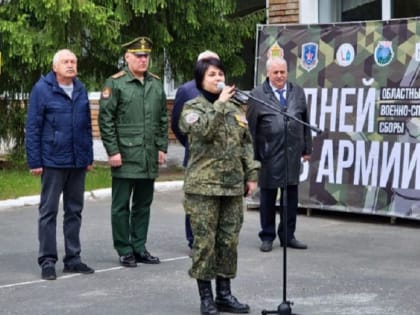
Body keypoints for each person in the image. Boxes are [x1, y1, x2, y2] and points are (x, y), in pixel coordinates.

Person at [179, 57, 259, 315]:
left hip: (232, 186)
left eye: (220, 73)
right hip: (203, 188)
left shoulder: (236, 109)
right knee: (205, 244)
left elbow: (246, 143)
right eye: (212, 74)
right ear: (201, 79)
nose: (218, 78)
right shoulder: (192, 107)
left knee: (228, 242)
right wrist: (220, 103)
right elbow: (203, 131)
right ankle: (206, 298)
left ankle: (224, 294)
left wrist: (251, 174)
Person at [25, 49, 95, 280]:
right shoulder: (42, 89)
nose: (70, 65)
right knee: (49, 211)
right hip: (52, 160)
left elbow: (86, 126)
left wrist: (88, 157)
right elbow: (33, 127)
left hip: (77, 161)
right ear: (55, 67)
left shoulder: (81, 88)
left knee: (74, 211)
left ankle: (73, 259)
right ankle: (47, 261)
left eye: (73, 61)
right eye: (65, 61)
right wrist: (35, 160)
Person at [99, 36, 168, 268]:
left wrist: (161, 146)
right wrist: (112, 151)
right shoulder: (115, 83)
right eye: (138, 56)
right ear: (127, 57)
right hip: (125, 154)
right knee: (120, 206)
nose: (142, 60)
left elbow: (162, 118)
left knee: (143, 204)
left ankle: (139, 247)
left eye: (146, 56)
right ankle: (124, 248)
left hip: (148, 155)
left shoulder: (156, 83)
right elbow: (106, 119)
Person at [246, 57, 312, 252]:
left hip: (292, 153)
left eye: (283, 72)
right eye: (276, 72)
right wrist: (253, 156)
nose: (280, 76)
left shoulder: (297, 92)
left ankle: (288, 235)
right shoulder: (258, 94)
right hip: (268, 154)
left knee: (290, 197)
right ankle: (267, 236)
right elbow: (251, 128)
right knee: (267, 197)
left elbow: (305, 120)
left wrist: (307, 148)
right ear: (268, 73)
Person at [171, 50, 220, 254]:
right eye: (207, 65)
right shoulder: (187, 90)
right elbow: (177, 124)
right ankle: (193, 240)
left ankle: (214, 239)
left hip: (220, 158)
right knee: (195, 200)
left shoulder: (222, 91)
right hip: (197, 157)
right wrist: (192, 144)